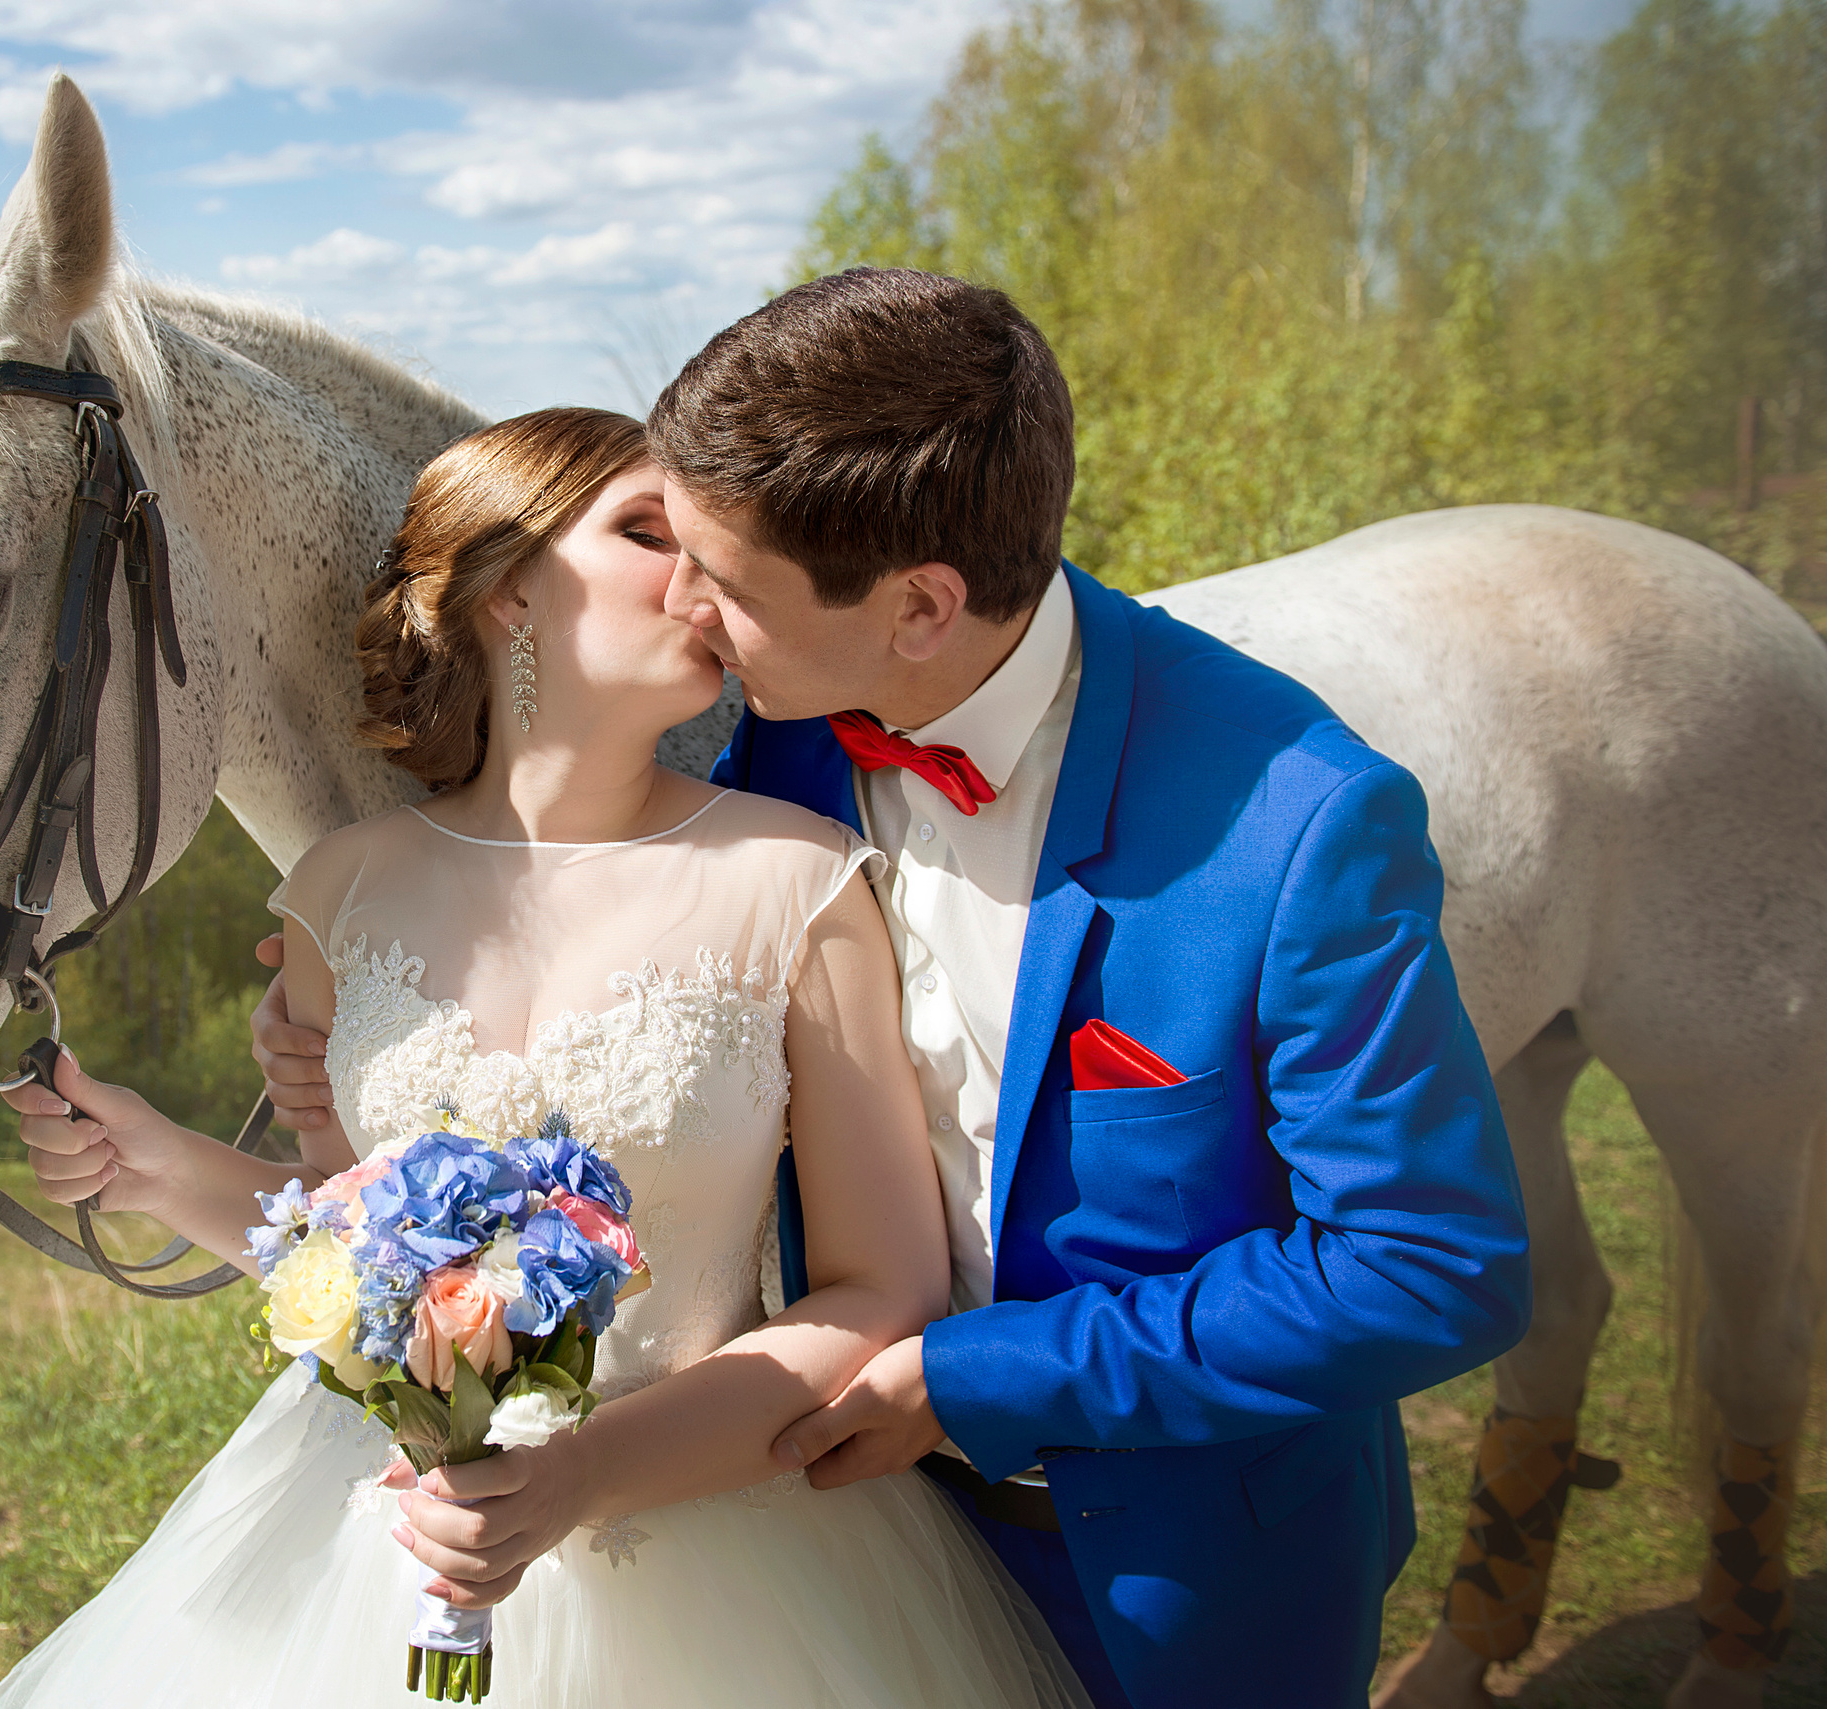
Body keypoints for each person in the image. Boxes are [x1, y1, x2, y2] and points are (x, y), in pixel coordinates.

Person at [252, 272, 1534, 1709]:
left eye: (723, 583)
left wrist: (981, 1373)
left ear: (921, 604)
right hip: (821, 1532)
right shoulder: (774, 744)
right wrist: (368, 1040)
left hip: (1182, 1582)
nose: (690, 608)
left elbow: (1433, 1264)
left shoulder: (1295, 827)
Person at [0, 407, 1086, 1709]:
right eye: (646, 533)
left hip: (720, 1547)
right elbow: (358, 1249)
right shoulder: (340, 889)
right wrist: (157, 1163)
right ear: (506, 587)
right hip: (379, 1527)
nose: (705, 580)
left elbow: (875, 1287)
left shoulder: (798, 880)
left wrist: (583, 1472)